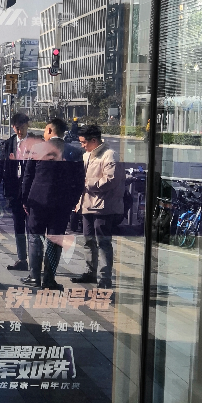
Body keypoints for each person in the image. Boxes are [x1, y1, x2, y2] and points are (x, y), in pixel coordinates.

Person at [20, 115, 84, 290]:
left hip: (38, 200)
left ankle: (34, 277)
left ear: (49, 130)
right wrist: (72, 201)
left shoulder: (37, 148)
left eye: (45, 130)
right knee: (55, 239)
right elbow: (80, 182)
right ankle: (49, 280)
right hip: (62, 204)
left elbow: (28, 176)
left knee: (35, 236)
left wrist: (25, 199)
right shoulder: (74, 152)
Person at [71, 122, 126, 289]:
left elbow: (111, 180)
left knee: (103, 242)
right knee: (88, 240)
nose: (82, 145)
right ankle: (90, 272)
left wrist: (88, 183)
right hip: (87, 204)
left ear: (94, 140)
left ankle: (105, 277)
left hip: (103, 206)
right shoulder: (87, 155)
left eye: (84, 142)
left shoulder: (110, 155)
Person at [0, 112, 32, 270]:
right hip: (14, 188)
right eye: (17, 128)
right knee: (18, 225)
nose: (19, 131)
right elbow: (1, 162)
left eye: (22, 128)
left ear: (27, 125)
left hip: (31, 190)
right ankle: (22, 259)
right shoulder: (9, 143)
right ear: (13, 127)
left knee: (32, 227)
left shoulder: (36, 143)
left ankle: (35, 260)